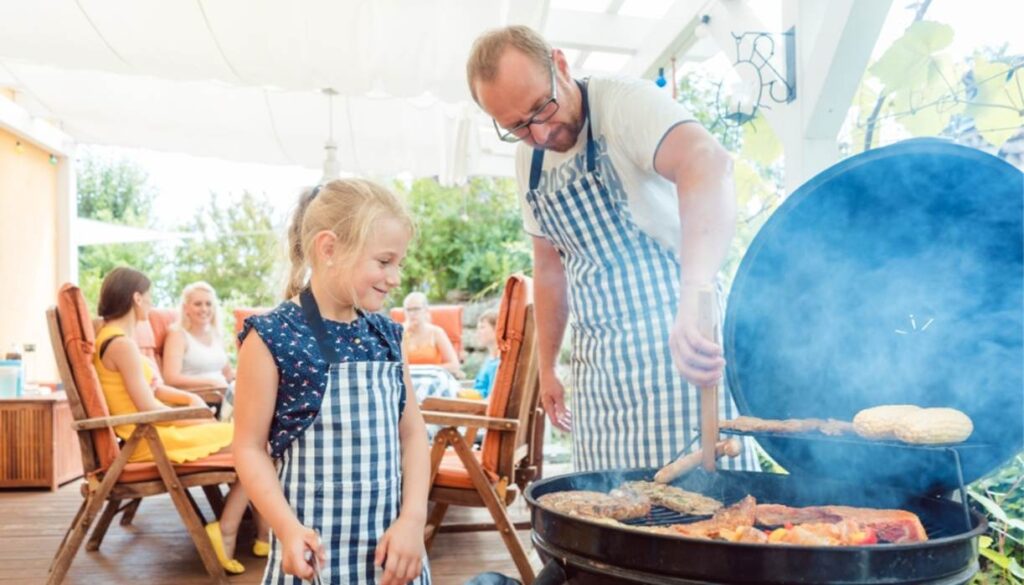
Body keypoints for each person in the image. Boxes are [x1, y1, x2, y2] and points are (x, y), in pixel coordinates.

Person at [466, 26, 759, 472]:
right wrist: (547, 367)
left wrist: (694, 295)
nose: (541, 133)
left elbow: (709, 163)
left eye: (541, 108)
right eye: (518, 127)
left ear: (560, 65)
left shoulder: (625, 105)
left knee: (704, 518)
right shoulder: (530, 160)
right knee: (610, 518)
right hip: (600, 374)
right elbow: (549, 268)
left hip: (677, 354)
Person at [232, 179, 432, 585]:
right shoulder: (271, 338)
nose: (395, 277)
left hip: (391, 559)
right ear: (329, 249)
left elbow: (413, 435)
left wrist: (413, 520)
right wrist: (286, 529)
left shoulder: (387, 337)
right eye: (383, 261)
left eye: (400, 263)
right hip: (310, 560)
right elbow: (249, 448)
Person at [93, 267, 256, 574]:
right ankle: (226, 532)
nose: (152, 304)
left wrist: (189, 401)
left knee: (252, 442)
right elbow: (148, 407)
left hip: (147, 433)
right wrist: (192, 420)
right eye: (149, 297)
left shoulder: (114, 339)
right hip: (148, 440)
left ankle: (238, 529)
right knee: (257, 447)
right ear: (136, 298)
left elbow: (151, 391)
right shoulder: (121, 345)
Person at [161, 281, 233, 390]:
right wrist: (211, 382)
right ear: (186, 308)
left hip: (224, 396)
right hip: (201, 400)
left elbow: (228, 373)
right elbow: (171, 378)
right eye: (198, 304)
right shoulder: (177, 335)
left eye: (208, 304)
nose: (204, 309)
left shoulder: (216, 334)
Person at [400, 292, 464, 379]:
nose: (412, 313)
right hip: (407, 380)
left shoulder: (436, 332)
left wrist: (428, 370)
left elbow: (454, 365)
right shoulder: (398, 332)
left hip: (432, 379)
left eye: (416, 309)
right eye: (408, 310)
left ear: (425, 310)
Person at [472, 309, 500, 399]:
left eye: (482, 327)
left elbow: (490, 397)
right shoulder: (490, 360)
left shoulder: (498, 364)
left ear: (497, 329)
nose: (478, 333)